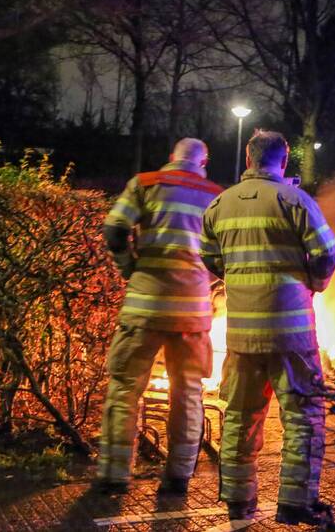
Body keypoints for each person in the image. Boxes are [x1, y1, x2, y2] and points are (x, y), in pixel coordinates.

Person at [200, 130, 335, 525]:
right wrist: (314, 283)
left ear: (248, 159)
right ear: (284, 161)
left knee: (240, 417)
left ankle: (238, 501)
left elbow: (209, 257)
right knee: (302, 417)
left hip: (242, 334)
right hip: (291, 332)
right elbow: (326, 254)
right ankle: (294, 504)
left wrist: (239, 278)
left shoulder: (220, 204)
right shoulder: (295, 200)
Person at [96, 138, 223, 495]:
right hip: (193, 316)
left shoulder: (146, 183)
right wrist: (205, 280)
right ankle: (179, 477)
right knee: (188, 393)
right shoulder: (216, 194)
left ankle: (114, 475)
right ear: (204, 163)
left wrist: (129, 269)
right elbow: (224, 254)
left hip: (144, 308)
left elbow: (115, 230)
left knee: (124, 389)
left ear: (171, 158)